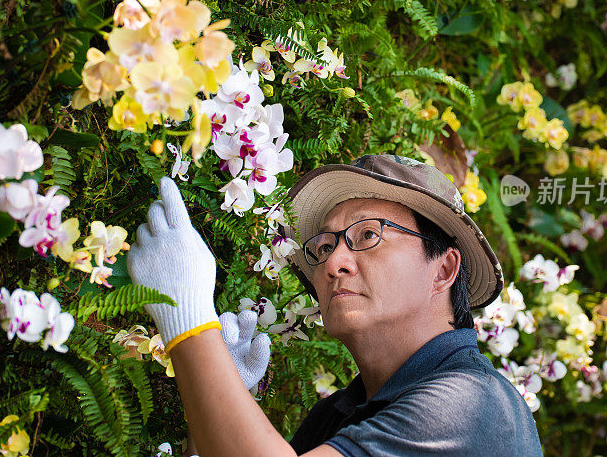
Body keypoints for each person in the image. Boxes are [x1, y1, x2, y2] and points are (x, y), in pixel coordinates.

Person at [127, 154, 543, 457]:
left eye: (367, 235)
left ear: (443, 269)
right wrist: (215, 399)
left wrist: (189, 321)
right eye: (325, 245)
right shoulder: (336, 416)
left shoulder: (473, 406)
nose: (333, 262)